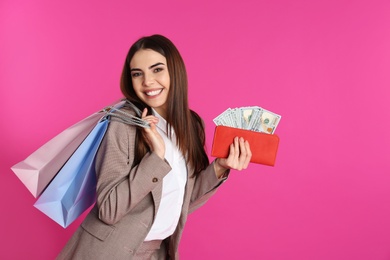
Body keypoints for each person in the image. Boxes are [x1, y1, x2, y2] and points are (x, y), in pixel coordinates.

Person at [57, 34, 252, 260]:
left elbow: (181, 201)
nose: (147, 81)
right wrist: (157, 157)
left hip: (157, 253)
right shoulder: (124, 123)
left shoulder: (191, 125)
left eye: (157, 69)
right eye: (137, 74)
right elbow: (109, 210)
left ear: (175, 71)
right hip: (107, 252)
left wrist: (219, 167)